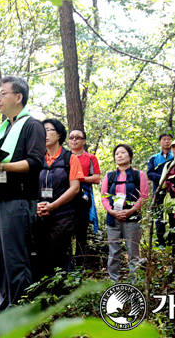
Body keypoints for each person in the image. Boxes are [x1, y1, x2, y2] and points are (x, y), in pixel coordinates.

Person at [0, 75, 45, 310]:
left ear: (18, 97)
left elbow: (36, 162)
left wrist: (2, 166)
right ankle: (5, 311)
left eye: (2, 93)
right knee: (1, 262)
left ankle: (21, 313)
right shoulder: (5, 129)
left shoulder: (32, 125)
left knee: (16, 260)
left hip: (18, 200)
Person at [34, 119, 84, 280]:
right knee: (40, 255)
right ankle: (43, 296)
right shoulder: (37, 158)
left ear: (59, 134)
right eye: (43, 130)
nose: (45, 134)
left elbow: (75, 188)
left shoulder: (70, 158)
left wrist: (53, 206)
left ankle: (61, 295)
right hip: (39, 215)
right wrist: (36, 205)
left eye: (49, 130)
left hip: (62, 215)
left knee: (58, 254)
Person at [101, 144, 148, 282]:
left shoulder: (138, 175)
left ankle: (134, 282)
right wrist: (111, 211)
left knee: (133, 252)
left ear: (130, 156)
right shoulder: (109, 176)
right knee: (113, 252)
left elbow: (144, 196)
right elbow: (104, 196)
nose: (119, 155)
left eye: (123, 152)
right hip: (113, 219)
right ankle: (113, 281)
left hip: (132, 218)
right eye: (117, 153)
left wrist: (131, 210)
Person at [67, 129, 100, 270]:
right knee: (64, 231)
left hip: (82, 197)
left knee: (81, 232)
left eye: (78, 137)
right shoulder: (64, 156)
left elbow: (96, 178)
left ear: (84, 141)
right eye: (72, 137)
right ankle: (65, 265)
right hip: (65, 197)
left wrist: (78, 178)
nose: (74, 140)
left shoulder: (90, 158)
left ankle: (80, 266)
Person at [147, 132, 174, 247]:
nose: (167, 141)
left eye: (169, 139)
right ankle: (160, 240)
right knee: (159, 214)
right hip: (158, 191)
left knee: (173, 214)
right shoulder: (154, 158)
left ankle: (172, 239)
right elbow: (150, 173)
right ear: (160, 142)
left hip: (173, 190)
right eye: (164, 139)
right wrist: (162, 179)